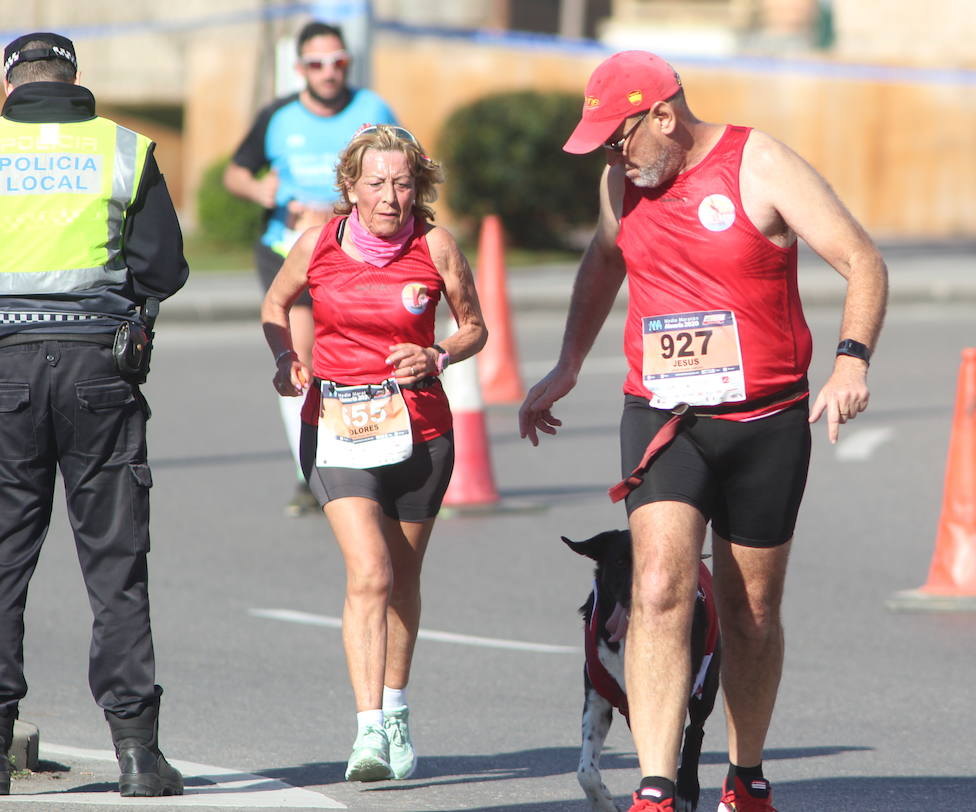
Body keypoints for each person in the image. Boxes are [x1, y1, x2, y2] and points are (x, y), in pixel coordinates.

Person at [518, 51, 888, 811]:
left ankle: (745, 775)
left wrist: (850, 364)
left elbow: (862, 260)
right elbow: (603, 259)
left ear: (663, 116)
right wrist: (566, 365)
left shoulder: (760, 163)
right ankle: (654, 786)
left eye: (620, 137)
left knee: (752, 612)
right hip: (664, 417)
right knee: (658, 588)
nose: (615, 156)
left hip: (766, 420)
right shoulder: (621, 180)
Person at [261, 123, 485, 781]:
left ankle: (395, 710)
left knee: (404, 580)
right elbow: (277, 303)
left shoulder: (436, 245)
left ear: (419, 186)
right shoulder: (318, 244)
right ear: (351, 186)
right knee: (371, 573)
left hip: (420, 431)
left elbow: (475, 326)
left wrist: (439, 353)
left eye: (404, 184)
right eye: (378, 183)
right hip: (336, 426)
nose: (392, 197)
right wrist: (285, 358)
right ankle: (366, 734)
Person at [0, 32, 188, 797]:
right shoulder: (124, 149)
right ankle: (138, 756)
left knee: (4, 559)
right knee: (115, 564)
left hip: (4, 364)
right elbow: (165, 268)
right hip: (97, 370)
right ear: (76, 80)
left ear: (9, 82)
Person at [226, 20, 398, 516]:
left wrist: (349, 211)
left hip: (360, 253)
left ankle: (373, 455)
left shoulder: (373, 111)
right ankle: (312, 468)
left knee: (364, 352)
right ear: (299, 68)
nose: (328, 72)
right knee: (302, 357)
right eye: (317, 63)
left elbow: (408, 165)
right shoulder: (278, 116)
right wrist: (264, 191)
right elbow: (236, 172)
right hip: (291, 249)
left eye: (338, 61)